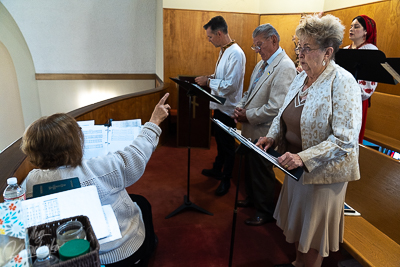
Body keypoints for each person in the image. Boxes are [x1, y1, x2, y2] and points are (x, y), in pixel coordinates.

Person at [256, 14, 362, 267]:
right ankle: (297, 263)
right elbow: (283, 112)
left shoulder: (343, 82)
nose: (299, 54)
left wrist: (302, 158)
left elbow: (345, 140)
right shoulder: (301, 77)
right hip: (294, 169)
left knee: (312, 235)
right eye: (298, 47)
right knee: (299, 228)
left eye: (306, 48)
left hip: (322, 177)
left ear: (327, 51)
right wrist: (272, 136)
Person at [21, 93, 171, 267]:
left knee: (139, 201)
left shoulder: (31, 180)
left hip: (72, 254)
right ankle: (147, 248)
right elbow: (135, 155)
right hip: (117, 254)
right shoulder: (100, 168)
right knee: (142, 204)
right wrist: (154, 122)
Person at [233, 24, 296, 226]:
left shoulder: (285, 67)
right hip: (251, 127)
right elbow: (249, 92)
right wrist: (240, 108)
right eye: (255, 46)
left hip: (265, 130)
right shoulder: (262, 64)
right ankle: (253, 199)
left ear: (274, 40)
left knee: (262, 172)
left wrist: (247, 115)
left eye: (260, 45)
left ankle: (265, 210)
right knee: (252, 169)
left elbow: (277, 107)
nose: (257, 50)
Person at [195, 16, 246, 196]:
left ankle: (226, 180)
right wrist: (209, 78)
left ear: (218, 33)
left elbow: (230, 85)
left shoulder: (236, 53)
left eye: (210, 37)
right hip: (218, 105)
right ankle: (217, 169)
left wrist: (208, 82)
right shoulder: (224, 50)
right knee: (220, 142)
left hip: (228, 107)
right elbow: (220, 76)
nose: (209, 41)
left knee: (227, 146)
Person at [344, 15, 378, 143]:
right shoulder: (345, 50)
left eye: (356, 27)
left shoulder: (371, 52)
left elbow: (369, 84)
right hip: (340, 97)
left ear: (366, 31)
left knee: (351, 136)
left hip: (357, 100)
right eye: (351, 26)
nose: (351, 29)